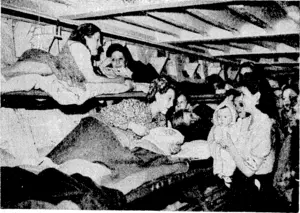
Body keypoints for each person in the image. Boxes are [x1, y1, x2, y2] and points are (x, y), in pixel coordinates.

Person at [2, 23, 126, 89]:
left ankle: (3, 73)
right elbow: (91, 78)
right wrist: (116, 80)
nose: (100, 45)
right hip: (42, 61)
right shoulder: (80, 47)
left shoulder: (79, 49)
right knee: (47, 68)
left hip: (40, 60)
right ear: (86, 37)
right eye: (97, 40)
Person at [222, 73, 278, 211]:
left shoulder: (266, 125)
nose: (241, 99)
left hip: (256, 191)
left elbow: (248, 170)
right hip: (240, 185)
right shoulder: (246, 121)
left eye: (244, 95)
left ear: (257, 97)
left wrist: (229, 145)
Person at [94, 77, 176, 148]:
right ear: (157, 96)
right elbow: (105, 112)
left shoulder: (161, 120)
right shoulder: (135, 106)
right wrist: (131, 125)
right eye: (169, 98)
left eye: (173, 100)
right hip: (103, 135)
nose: (172, 104)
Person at [208, 100, 238, 188]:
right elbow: (217, 138)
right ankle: (223, 175)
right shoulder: (218, 128)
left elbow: (236, 138)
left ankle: (229, 175)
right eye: (219, 117)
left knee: (231, 161)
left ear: (232, 116)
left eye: (225, 117)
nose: (221, 119)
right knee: (221, 159)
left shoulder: (234, 128)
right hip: (221, 148)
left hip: (231, 149)